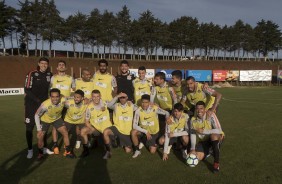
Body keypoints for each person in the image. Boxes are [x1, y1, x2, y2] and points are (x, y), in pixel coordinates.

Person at [34, 88, 75, 160]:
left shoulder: (63, 100)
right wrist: (38, 129)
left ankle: (68, 152)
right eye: (53, 96)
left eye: (57, 96)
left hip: (57, 119)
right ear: (50, 97)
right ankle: (40, 154)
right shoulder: (45, 104)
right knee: (40, 136)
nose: (55, 99)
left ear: (60, 96)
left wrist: (85, 99)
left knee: (65, 132)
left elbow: (73, 98)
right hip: (45, 120)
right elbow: (36, 115)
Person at [24, 57, 53, 159]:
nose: (44, 65)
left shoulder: (50, 75)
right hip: (31, 105)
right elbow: (26, 90)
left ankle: (44, 148)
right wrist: (37, 100)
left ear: (48, 65)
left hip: (43, 105)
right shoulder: (32, 73)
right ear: (38, 63)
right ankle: (30, 150)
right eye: (42, 63)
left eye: (46, 63)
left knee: (43, 127)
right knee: (30, 127)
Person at [189, 101, 224, 173]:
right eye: (197, 108)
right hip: (204, 141)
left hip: (217, 137)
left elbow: (219, 130)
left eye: (201, 108)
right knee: (198, 157)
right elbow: (192, 133)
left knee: (213, 136)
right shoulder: (193, 120)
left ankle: (216, 163)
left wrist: (204, 131)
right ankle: (209, 151)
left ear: (205, 109)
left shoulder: (211, 115)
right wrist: (192, 148)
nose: (199, 111)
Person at [103, 92, 138, 159]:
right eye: (120, 98)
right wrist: (117, 96)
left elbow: (140, 108)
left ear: (127, 98)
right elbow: (109, 105)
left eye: (123, 97)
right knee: (105, 132)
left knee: (128, 151)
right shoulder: (116, 105)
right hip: (117, 128)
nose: (122, 99)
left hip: (127, 131)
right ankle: (108, 151)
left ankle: (119, 141)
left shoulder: (131, 105)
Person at [50, 60, 75, 154]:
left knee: (66, 125)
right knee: (55, 126)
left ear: (66, 68)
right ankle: (55, 144)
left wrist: (69, 98)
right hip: (56, 105)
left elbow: (74, 90)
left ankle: (66, 145)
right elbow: (50, 90)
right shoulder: (53, 78)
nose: (61, 66)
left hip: (66, 105)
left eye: (63, 65)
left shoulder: (70, 78)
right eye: (59, 65)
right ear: (57, 68)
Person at [80, 90, 112, 158]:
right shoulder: (89, 108)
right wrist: (92, 129)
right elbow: (86, 121)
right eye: (94, 96)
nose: (96, 98)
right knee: (83, 131)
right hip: (96, 128)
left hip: (107, 128)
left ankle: (108, 150)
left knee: (109, 143)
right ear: (91, 97)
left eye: (97, 96)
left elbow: (115, 105)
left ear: (100, 96)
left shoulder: (105, 103)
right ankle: (86, 150)